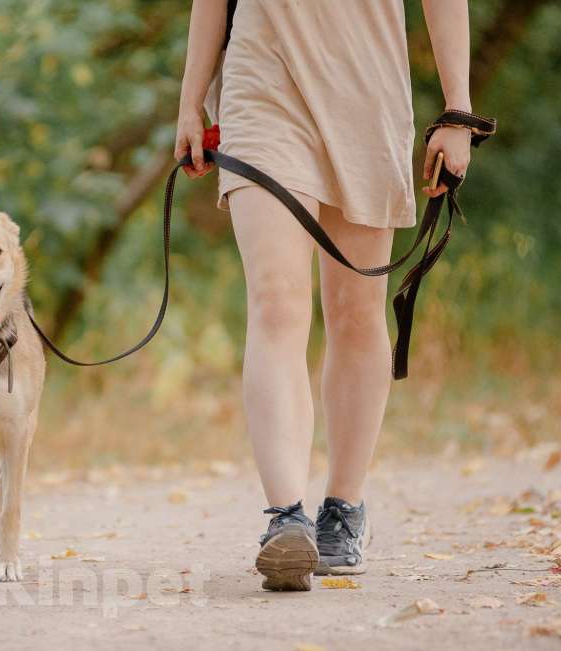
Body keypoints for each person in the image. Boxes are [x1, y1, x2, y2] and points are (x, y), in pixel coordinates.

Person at [175, 0, 478, 591]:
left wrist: (458, 113)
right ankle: (286, 518)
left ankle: (343, 507)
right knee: (276, 301)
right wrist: (190, 101)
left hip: (367, 86)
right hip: (262, 84)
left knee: (355, 313)